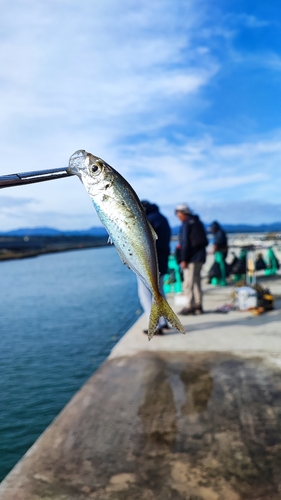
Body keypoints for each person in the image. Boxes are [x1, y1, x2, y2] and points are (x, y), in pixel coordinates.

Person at [138, 201, 171, 335]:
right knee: (159, 292)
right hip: (162, 261)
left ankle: (155, 325)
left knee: (145, 294)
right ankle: (164, 322)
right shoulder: (163, 219)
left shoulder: (148, 220)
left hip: (149, 264)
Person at [175, 203, 208, 315]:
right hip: (200, 257)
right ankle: (198, 305)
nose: (178, 216)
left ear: (182, 213)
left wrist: (183, 259)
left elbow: (185, 243)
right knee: (197, 282)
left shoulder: (186, 224)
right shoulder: (197, 222)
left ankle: (189, 306)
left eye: (178, 214)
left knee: (188, 283)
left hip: (191, 259)